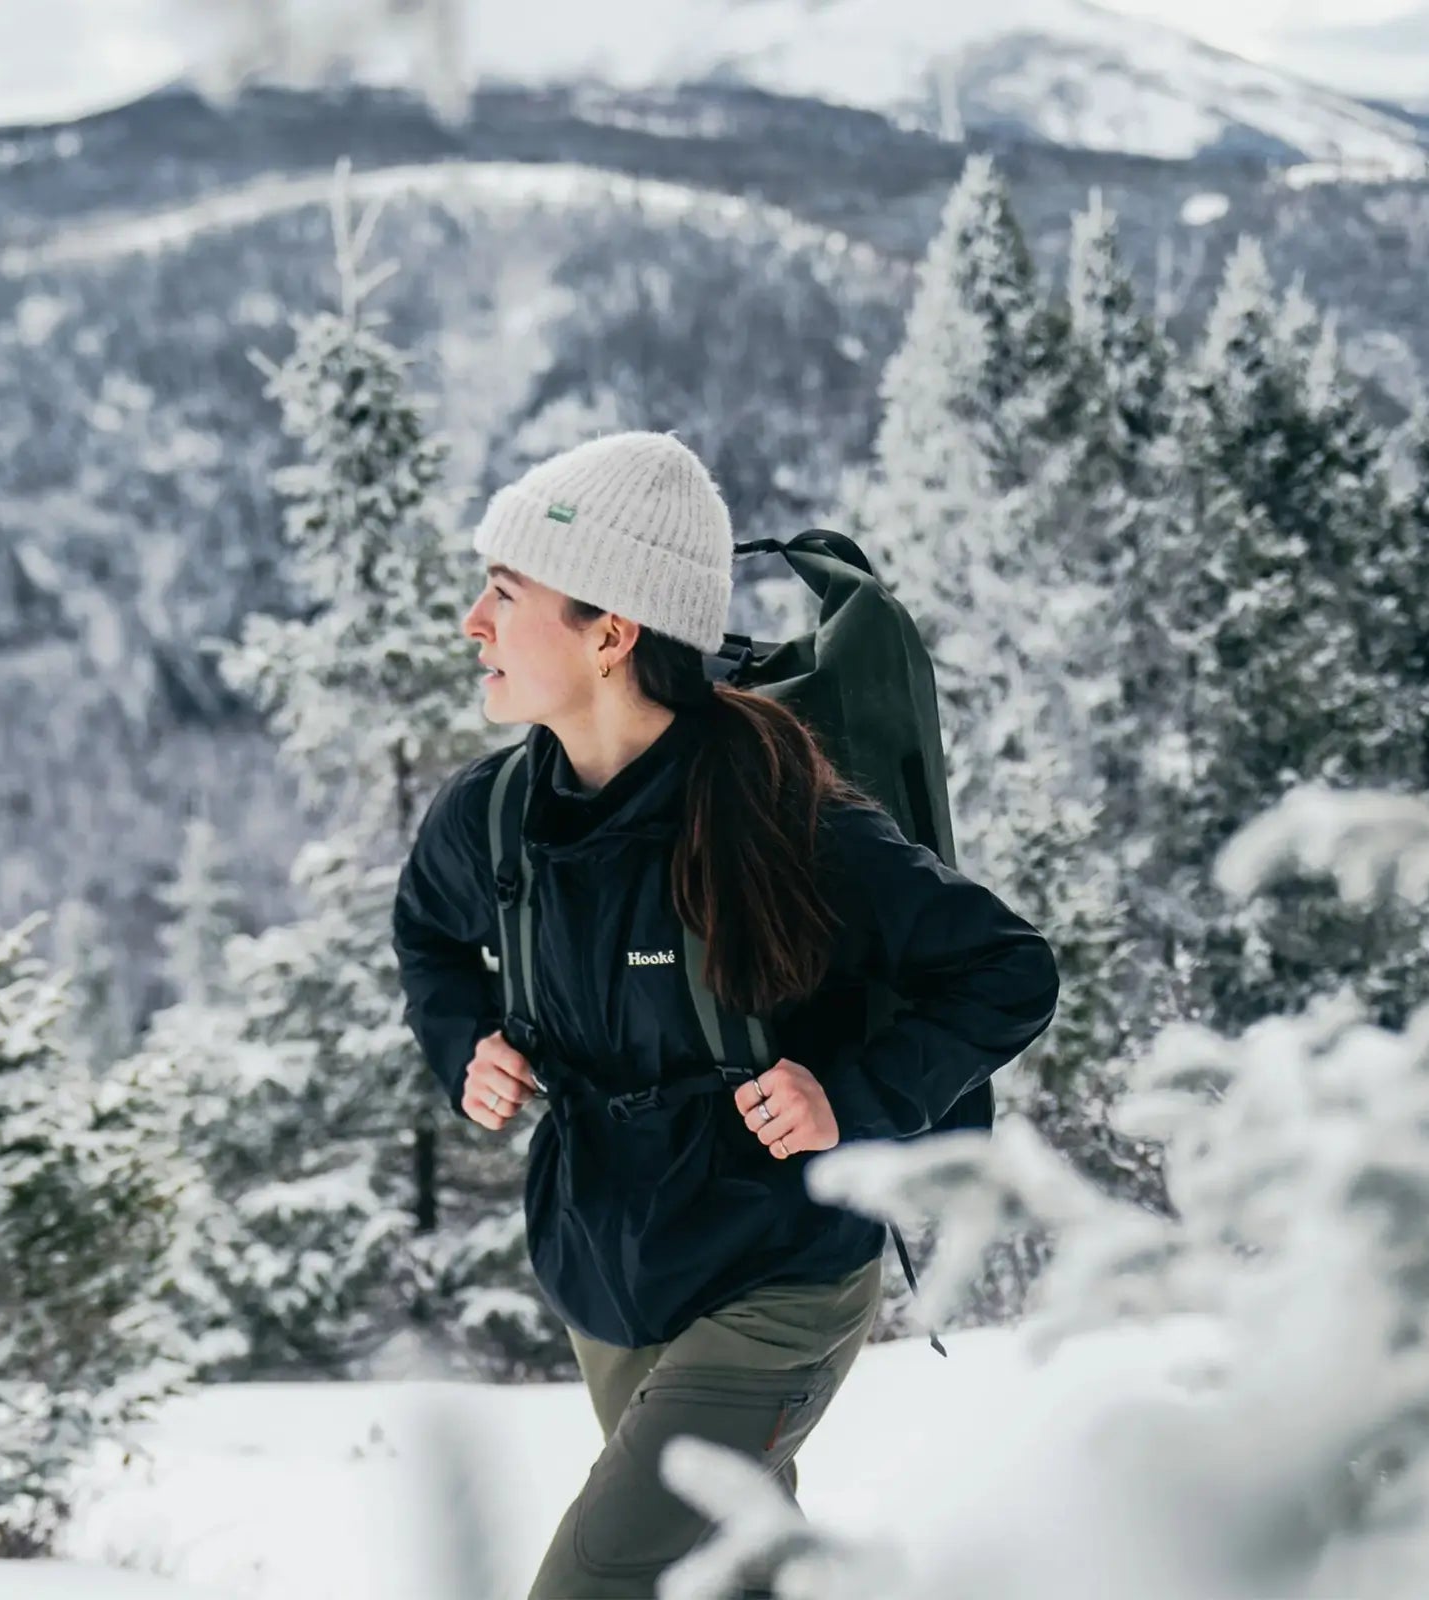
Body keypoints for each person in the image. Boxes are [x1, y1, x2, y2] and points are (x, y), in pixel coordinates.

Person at [391, 431, 1060, 1598]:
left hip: (779, 1269)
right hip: (606, 1268)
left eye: (504, 592)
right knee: (726, 1574)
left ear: (611, 632)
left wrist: (848, 1096)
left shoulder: (778, 814)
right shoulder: (491, 815)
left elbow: (1005, 970)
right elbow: (431, 941)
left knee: (596, 1582)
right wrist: (468, 1044)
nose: (471, 621)